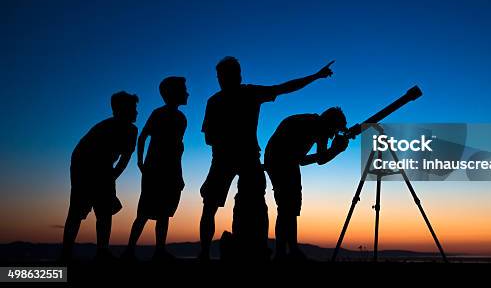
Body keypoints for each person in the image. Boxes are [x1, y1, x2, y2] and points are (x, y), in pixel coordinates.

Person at [199, 57, 335, 260]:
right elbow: (209, 137)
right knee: (213, 205)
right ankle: (205, 253)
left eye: (224, 76)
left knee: (244, 206)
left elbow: (285, 88)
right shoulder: (225, 99)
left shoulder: (242, 94)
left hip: (242, 159)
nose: (221, 80)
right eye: (220, 77)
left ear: (237, 76)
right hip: (231, 159)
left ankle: (248, 250)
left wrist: (315, 76)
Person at [60, 91, 139, 262]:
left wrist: (111, 178)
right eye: (133, 108)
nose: (136, 112)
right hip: (84, 166)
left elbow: (124, 160)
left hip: (103, 168)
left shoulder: (132, 131)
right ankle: (66, 253)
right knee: (77, 210)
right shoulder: (104, 128)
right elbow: (82, 154)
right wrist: (106, 178)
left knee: (104, 211)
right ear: (120, 110)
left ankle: (102, 251)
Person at [264, 107, 349, 260]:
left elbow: (303, 160)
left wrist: (334, 149)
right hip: (282, 162)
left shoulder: (311, 123)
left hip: (280, 161)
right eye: (334, 131)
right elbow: (322, 159)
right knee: (287, 208)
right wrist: (337, 150)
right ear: (330, 123)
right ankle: (283, 253)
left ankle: (289, 251)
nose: (331, 136)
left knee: (289, 208)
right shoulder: (319, 127)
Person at [123, 77, 188, 261]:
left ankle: (158, 250)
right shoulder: (159, 114)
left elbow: (176, 151)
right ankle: (130, 250)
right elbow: (143, 137)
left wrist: (179, 175)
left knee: (164, 213)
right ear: (173, 93)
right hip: (156, 170)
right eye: (184, 90)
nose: (187, 93)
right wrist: (140, 161)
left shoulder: (181, 118)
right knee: (144, 212)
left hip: (168, 171)